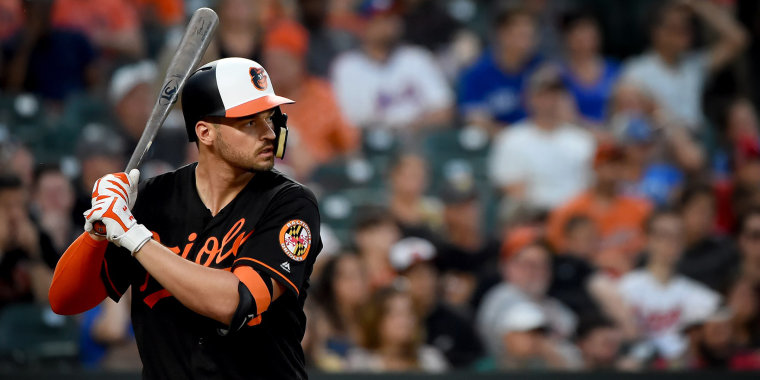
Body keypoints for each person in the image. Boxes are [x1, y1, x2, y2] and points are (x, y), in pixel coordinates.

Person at [48, 57, 323, 379]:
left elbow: (238, 303)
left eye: (270, 118)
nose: (268, 133)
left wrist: (133, 237)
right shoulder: (151, 199)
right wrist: (99, 228)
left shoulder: (290, 202)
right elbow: (66, 300)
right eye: (250, 122)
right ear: (205, 132)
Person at [330, 0, 453, 133]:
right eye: (383, 19)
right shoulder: (347, 66)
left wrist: (410, 128)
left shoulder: (416, 57)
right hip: (373, 145)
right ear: (364, 24)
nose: (391, 24)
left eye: (393, 17)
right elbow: (352, 123)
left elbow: (444, 111)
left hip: (420, 139)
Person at [622, 0, 747, 130]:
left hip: (699, 135)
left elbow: (738, 39)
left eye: (687, 28)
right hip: (662, 139)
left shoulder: (694, 65)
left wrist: (699, 5)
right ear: (657, 32)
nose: (684, 34)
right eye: (676, 28)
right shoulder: (636, 70)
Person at [488, 66, 595, 213]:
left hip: (576, 218)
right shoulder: (511, 139)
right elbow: (513, 189)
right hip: (533, 217)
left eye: (554, 94)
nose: (549, 101)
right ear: (529, 98)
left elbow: (592, 188)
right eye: (542, 95)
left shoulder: (583, 140)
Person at [618, 209, 721, 361]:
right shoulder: (624, 288)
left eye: (677, 236)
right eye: (663, 235)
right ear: (647, 239)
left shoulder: (701, 296)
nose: (671, 242)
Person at [262, 20, 359, 180]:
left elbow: (350, 146)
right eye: (271, 59)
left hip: (322, 180)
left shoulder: (322, 95)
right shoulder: (258, 99)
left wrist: (321, 165)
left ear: (299, 60)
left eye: (283, 59)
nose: (275, 66)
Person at [547, 144, 652, 275]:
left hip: (629, 277)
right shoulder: (569, 209)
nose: (612, 170)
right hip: (582, 278)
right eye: (606, 164)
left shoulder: (641, 209)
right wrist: (598, 261)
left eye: (618, 164)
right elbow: (557, 250)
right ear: (594, 167)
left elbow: (650, 249)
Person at [390, 237, 483, 368]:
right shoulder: (386, 322)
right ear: (397, 280)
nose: (424, 281)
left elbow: (476, 366)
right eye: (414, 275)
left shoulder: (458, 320)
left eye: (429, 273)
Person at [476, 240, 577, 358]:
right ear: (508, 267)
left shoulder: (552, 304)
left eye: (544, 265)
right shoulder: (504, 295)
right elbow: (525, 347)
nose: (537, 272)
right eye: (529, 265)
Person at [458, 8, 543, 132]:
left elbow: (561, 113)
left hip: (540, 140)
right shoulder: (476, 73)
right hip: (496, 144)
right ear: (502, 33)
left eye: (530, 35)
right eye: (521, 34)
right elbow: (476, 121)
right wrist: (517, 139)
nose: (526, 42)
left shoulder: (543, 69)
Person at [347, 286, 449, 372]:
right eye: (396, 314)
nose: (405, 321)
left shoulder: (431, 359)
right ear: (377, 320)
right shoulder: (361, 363)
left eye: (409, 313)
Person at [558, 10, 620, 126]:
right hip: (575, 136)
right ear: (567, 38)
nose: (585, 38)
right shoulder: (559, 75)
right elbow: (564, 115)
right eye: (579, 33)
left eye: (589, 32)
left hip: (611, 135)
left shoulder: (614, 70)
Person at [676, 183, 738, 292]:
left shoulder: (726, 251)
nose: (705, 217)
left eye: (711, 211)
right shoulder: (666, 251)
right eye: (700, 209)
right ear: (682, 211)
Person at [311, 253, 369, 369]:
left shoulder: (374, 319)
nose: (357, 283)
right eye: (349, 277)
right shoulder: (320, 323)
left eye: (361, 275)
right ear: (331, 283)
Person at [386, 153, 442, 238]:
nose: (415, 182)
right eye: (409, 175)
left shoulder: (434, 210)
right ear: (393, 176)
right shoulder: (381, 209)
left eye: (419, 176)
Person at [353, 209, 401, 291]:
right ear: (362, 236)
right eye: (384, 231)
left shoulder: (402, 269)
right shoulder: (350, 271)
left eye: (393, 231)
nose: (392, 237)